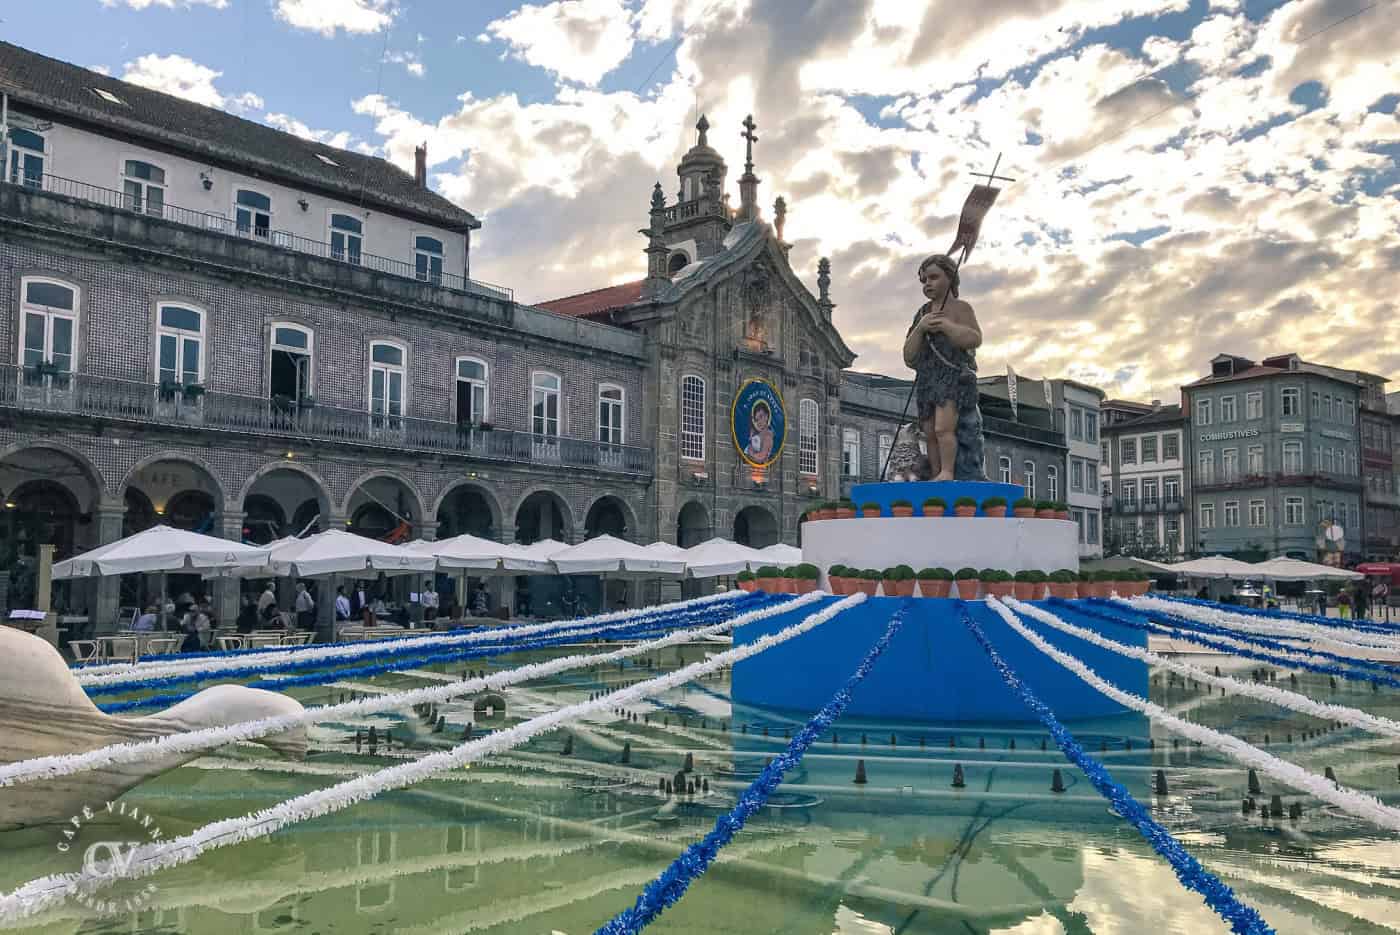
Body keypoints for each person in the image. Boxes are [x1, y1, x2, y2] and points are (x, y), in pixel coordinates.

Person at [903, 253, 984, 481]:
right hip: (927, 379)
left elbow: (974, 338)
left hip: (951, 377)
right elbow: (909, 356)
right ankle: (937, 472)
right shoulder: (921, 314)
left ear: (950, 277)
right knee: (929, 432)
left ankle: (948, 471)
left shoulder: (961, 309)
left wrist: (947, 326)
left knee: (943, 428)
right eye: (924, 280)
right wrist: (920, 329)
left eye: (933, 277)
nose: (928, 283)